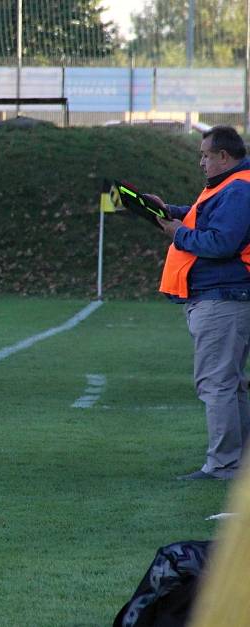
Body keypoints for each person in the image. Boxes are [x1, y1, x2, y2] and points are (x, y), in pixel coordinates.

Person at [151, 125, 250, 480]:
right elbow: (205, 219)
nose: (201, 162)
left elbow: (222, 242)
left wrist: (178, 233)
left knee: (217, 384)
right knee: (231, 383)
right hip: (227, 297)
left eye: (206, 155)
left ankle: (224, 465)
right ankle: (236, 464)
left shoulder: (239, 188)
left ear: (224, 156)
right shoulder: (231, 185)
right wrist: (168, 212)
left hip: (223, 298)